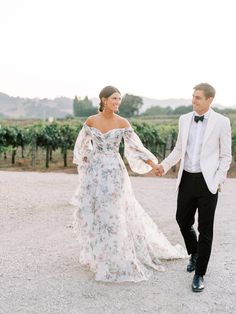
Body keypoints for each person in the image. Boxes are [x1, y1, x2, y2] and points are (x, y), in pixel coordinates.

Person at [71, 85, 186, 282]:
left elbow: (137, 148)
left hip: (115, 172)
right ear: (104, 99)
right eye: (114, 99)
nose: (117, 103)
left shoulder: (122, 122)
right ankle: (100, 255)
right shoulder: (91, 121)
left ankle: (117, 256)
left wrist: (155, 164)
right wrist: (88, 158)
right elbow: (80, 146)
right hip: (95, 173)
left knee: (114, 212)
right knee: (97, 212)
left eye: (119, 100)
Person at [156, 83, 232, 292]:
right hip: (187, 179)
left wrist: (218, 181)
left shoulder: (222, 122)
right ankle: (194, 252)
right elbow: (179, 149)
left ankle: (200, 273)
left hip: (208, 183)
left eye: (198, 97)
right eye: (193, 96)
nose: (193, 100)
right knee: (182, 219)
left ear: (209, 100)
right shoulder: (184, 119)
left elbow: (226, 155)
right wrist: (164, 165)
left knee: (205, 229)